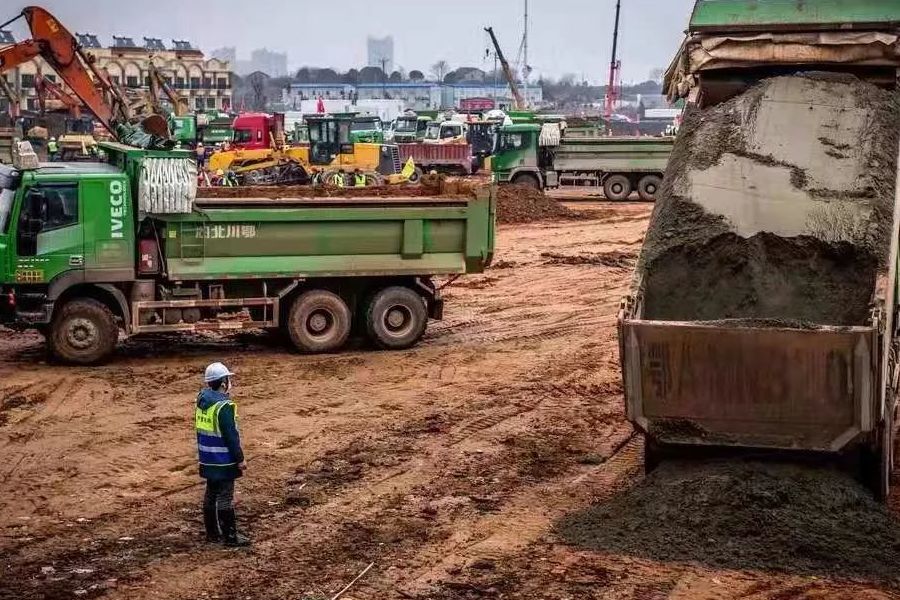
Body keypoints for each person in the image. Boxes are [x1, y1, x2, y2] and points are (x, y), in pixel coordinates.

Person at [196, 362, 250, 547]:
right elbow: (231, 436)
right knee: (225, 498)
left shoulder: (202, 401)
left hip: (207, 458)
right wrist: (240, 459)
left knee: (211, 494)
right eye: (228, 379)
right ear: (223, 382)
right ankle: (230, 537)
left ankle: (212, 533)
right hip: (224, 460)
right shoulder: (224, 406)